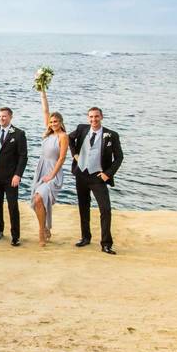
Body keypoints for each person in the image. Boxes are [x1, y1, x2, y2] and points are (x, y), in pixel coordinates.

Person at [68, 107, 124, 255]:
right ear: (88, 118)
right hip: (81, 174)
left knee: (105, 209)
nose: (94, 119)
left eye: (96, 117)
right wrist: (75, 155)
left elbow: (119, 157)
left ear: (101, 117)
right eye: (91, 117)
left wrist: (108, 174)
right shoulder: (82, 129)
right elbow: (69, 138)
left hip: (98, 177)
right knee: (83, 207)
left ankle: (106, 243)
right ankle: (85, 237)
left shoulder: (111, 135)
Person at [28, 90, 69, 247]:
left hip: (53, 171)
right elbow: (45, 110)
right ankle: (44, 227)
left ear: (61, 122)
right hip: (41, 168)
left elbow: (62, 158)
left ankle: (41, 232)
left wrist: (52, 175)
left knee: (39, 198)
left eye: (56, 122)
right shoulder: (48, 133)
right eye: (51, 122)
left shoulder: (63, 136)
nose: (53, 124)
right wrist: (42, 91)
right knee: (38, 201)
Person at [0, 107, 28, 246]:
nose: (1, 118)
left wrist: (18, 175)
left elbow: (23, 157)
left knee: (12, 206)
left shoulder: (19, 134)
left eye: (4, 116)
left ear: (10, 117)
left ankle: (15, 235)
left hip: (11, 177)